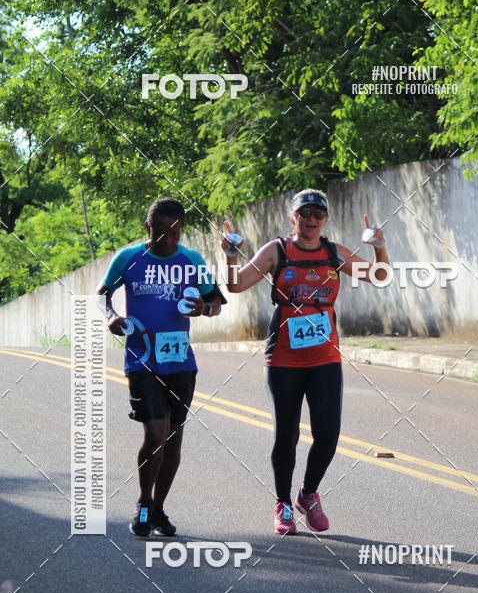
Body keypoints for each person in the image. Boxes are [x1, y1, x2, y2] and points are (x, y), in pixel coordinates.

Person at [223, 189, 389, 534]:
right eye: (305, 213)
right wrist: (230, 256)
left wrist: (378, 246)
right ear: (292, 217)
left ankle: (308, 494)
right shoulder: (278, 250)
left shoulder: (333, 253)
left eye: (318, 213)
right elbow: (236, 286)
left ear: (325, 219)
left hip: (325, 356)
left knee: (328, 434)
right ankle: (282, 503)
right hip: (283, 357)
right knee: (286, 435)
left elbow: (380, 276)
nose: (311, 219)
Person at [97, 197, 224, 537]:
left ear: (182, 232)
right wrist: (111, 316)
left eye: (175, 234)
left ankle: (158, 508)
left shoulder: (192, 260)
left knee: (173, 440)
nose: (167, 241)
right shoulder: (128, 258)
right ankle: (142, 501)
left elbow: (216, 302)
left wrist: (203, 308)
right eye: (159, 233)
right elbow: (102, 293)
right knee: (155, 434)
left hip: (180, 363)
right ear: (146, 229)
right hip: (141, 359)